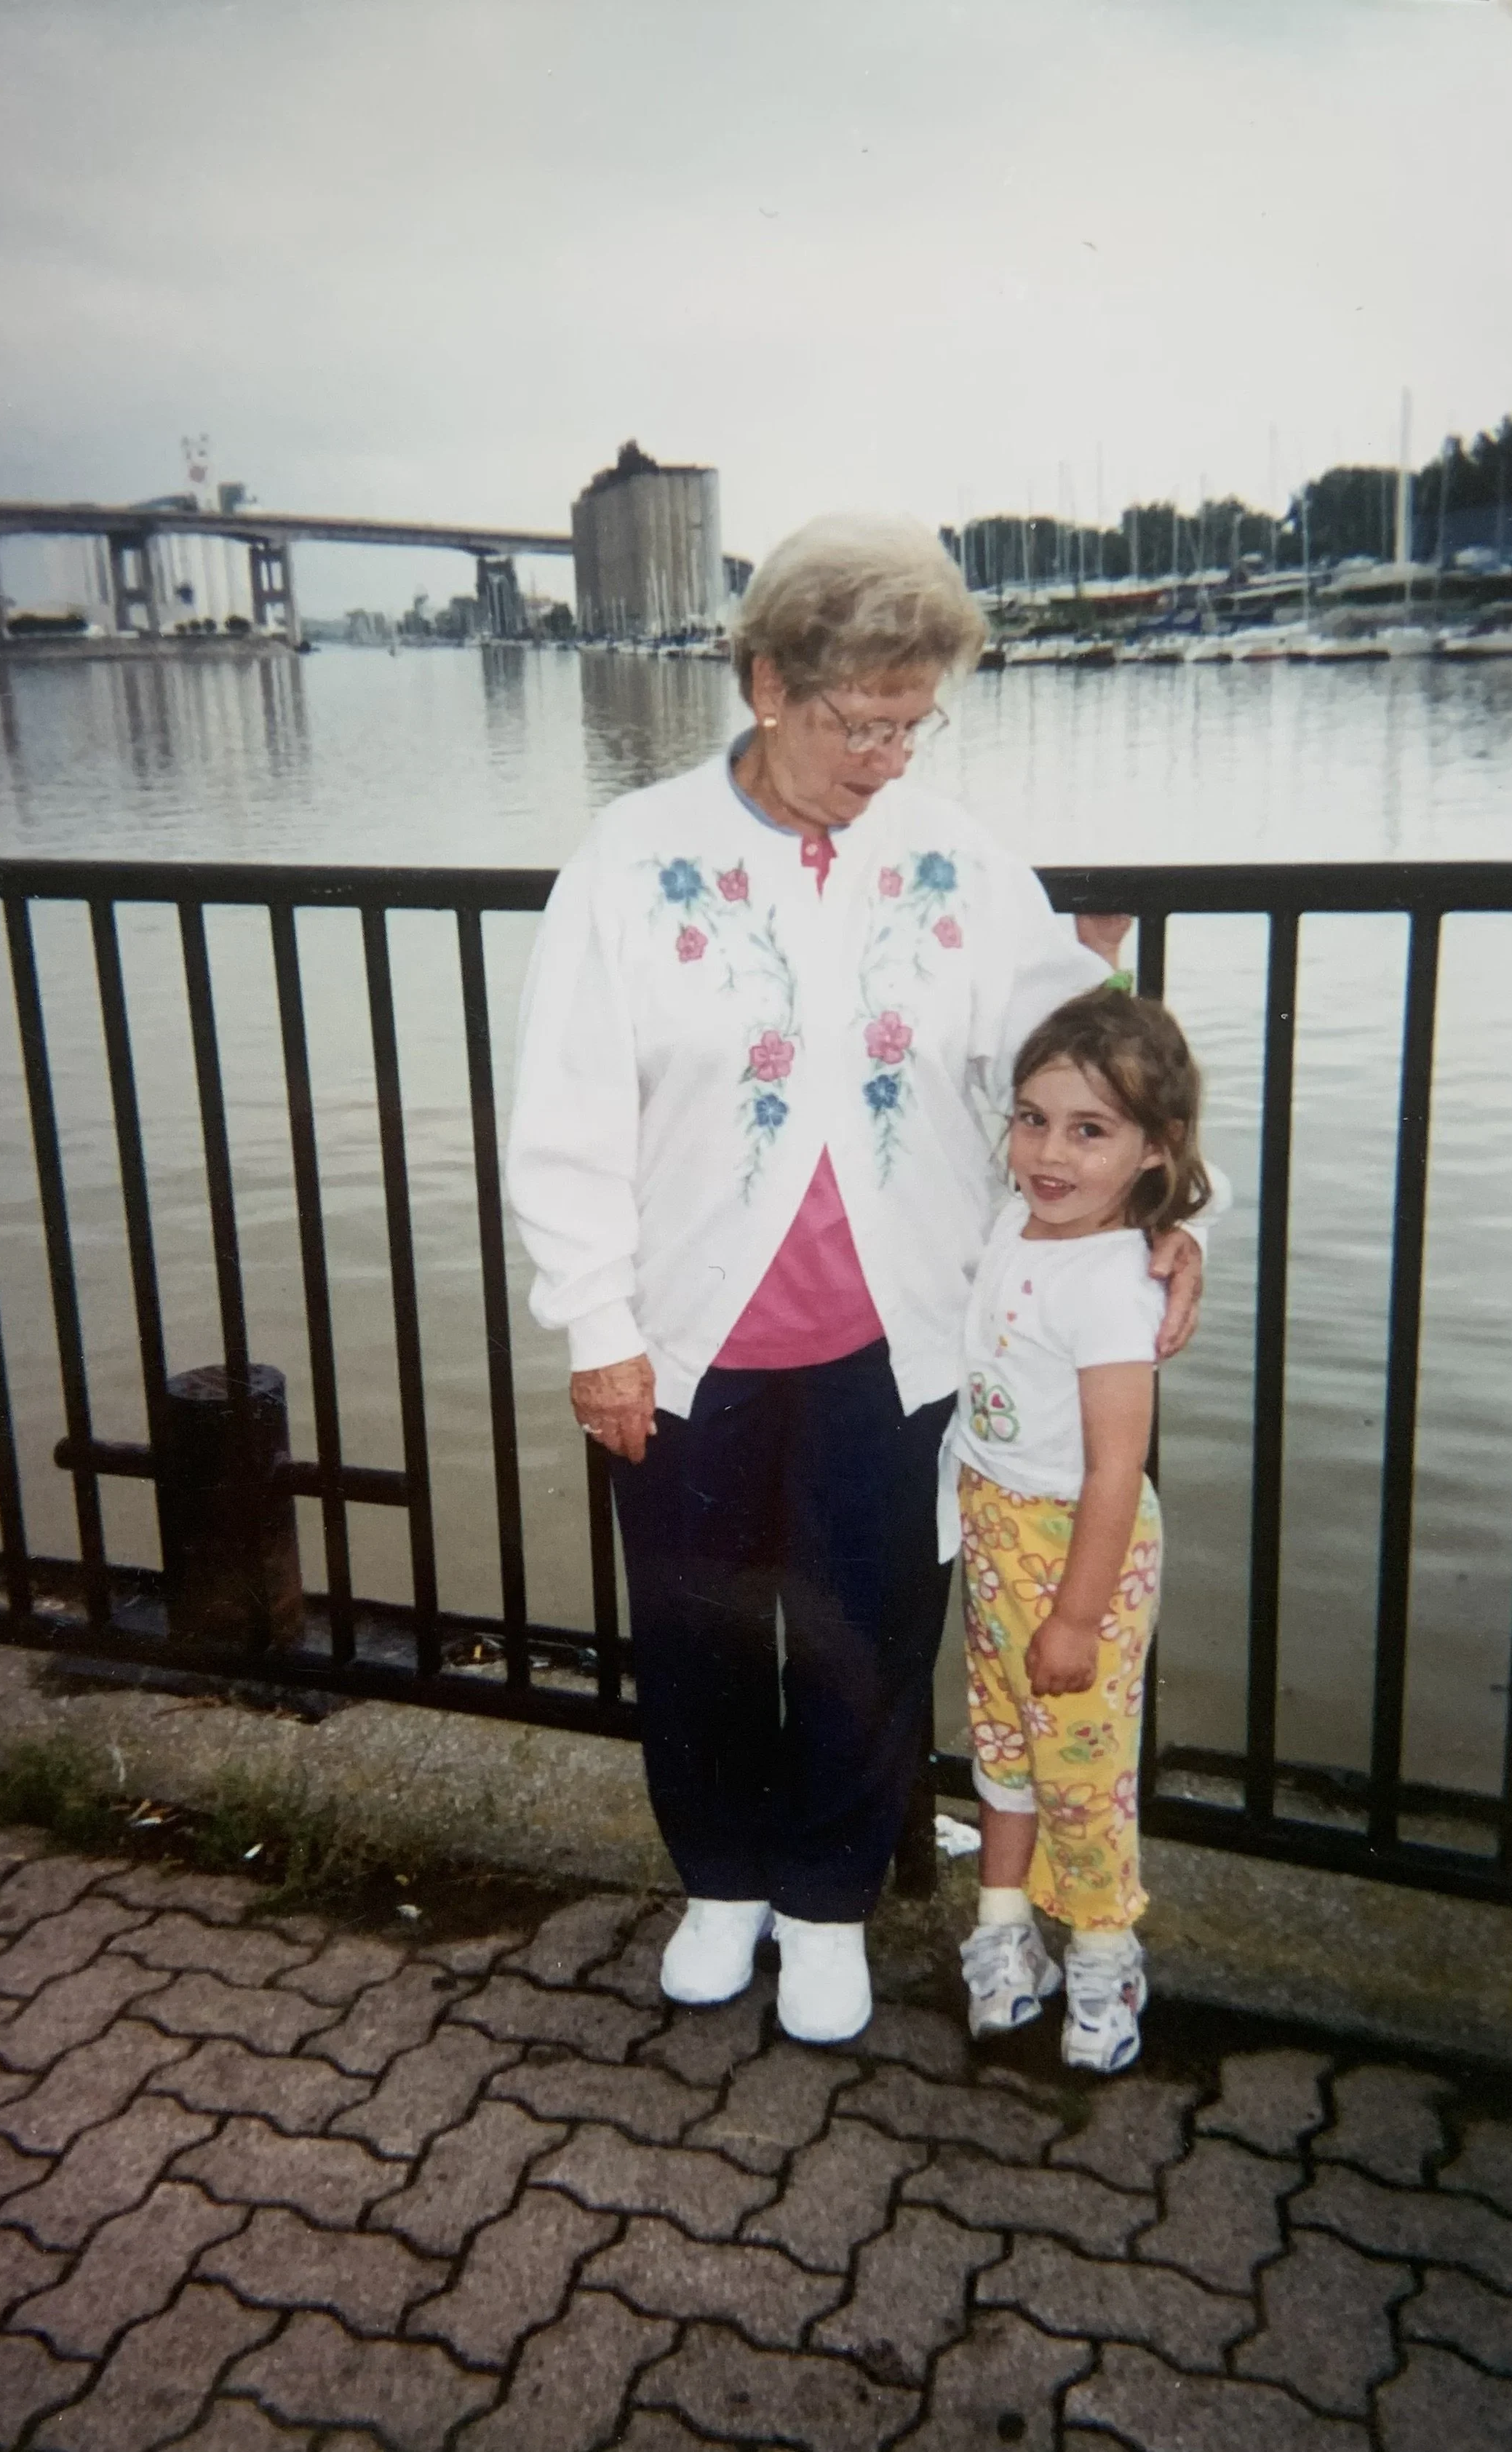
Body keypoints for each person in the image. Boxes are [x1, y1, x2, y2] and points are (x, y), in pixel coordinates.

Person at [506, 514, 1203, 2047]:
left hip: (899, 1343)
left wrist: (1171, 1209)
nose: (886, 753)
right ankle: (721, 1884)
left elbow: (1084, 1050)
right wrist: (598, 1324)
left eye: (909, 720)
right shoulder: (633, 856)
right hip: (684, 1339)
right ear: (766, 682)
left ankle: (824, 1900)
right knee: (691, 1622)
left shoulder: (950, 856)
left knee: (866, 1625)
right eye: (856, 720)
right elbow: (562, 1109)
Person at [946, 986, 1210, 2073]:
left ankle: (1105, 1954)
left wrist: (1077, 1616)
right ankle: (1006, 1931)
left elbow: (1115, 1468)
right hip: (998, 1533)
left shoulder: (1114, 1285)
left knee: (1085, 1770)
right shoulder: (1016, 1218)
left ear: (1154, 1150)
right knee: (1005, 1747)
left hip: (1076, 1554)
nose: (1049, 1152)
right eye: (1032, 1118)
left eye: (1090, 1130)